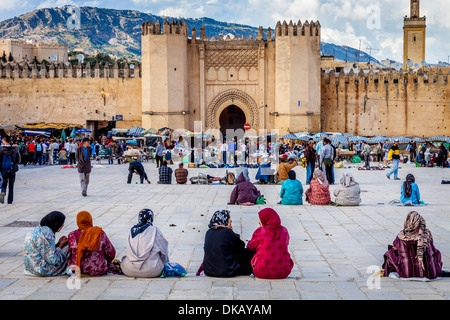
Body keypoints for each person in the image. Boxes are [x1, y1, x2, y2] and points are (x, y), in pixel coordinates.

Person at [382, 211, 442, 280]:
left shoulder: (401, 236)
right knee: (436, 252)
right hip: (431, 274)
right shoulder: (426, 234)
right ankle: (429, 268)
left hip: (406, 273)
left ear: (407, 221)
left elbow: (396, 248)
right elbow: (432, 250)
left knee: (391, 252)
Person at [200, 210, 253, 277]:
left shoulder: (208, 232)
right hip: (228, 271)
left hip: (209, 271)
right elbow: (241, 246)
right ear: (223, 219)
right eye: (229, 218)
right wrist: (231, 231)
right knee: (248, 253)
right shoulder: (227, 232)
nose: (230, 221)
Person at [68, 211, 120, 276]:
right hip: (98, 269)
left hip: (77, 269)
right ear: (90, 220)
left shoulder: (72, 235)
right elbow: (111, 253)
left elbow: (70, 254)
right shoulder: (99, 233)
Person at [246, 208, 294, 279]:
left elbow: (250, 247)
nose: (259, 222)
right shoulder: (284, 231)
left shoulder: (260, 231)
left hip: (261, 272)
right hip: (283, 272)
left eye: (261, 219)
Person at [121, 209, 170, 278]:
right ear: (151, 218)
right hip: (152, 271)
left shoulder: (131, 231)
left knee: (124, 259)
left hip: (129, 270)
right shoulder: (155, 230)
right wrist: (166, 263)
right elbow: (164, 250)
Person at [23, 211, 70, 276]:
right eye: (62, 223)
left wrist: (58, 244)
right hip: (41, 270)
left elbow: (44, 250)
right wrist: (61, 245)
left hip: (30, 268)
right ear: (56, 223)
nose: (63, 225)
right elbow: (53, 260)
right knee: (68, 247)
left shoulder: (38, 229)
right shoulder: (48, 233)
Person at [0, 135, 21, 204]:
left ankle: (3, 193)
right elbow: (18, 160)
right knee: (11, 186)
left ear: (4, 141)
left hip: (3, 169)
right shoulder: (14, 150)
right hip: (12, 170)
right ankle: (10, 201)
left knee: (4, 184)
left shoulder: (1, 150)